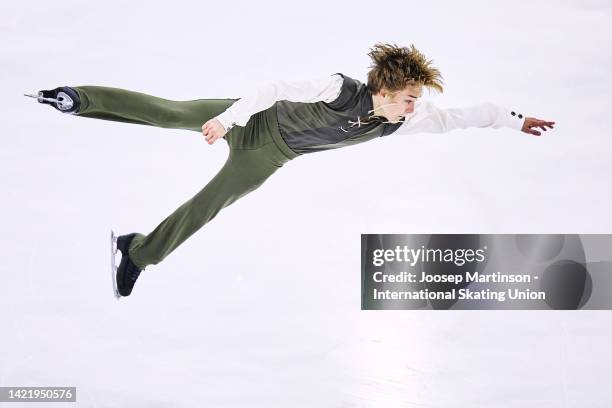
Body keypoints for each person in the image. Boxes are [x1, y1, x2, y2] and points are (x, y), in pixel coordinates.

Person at [27, 42, 555, 298]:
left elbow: (469, 116)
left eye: (416, 101)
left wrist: (516, 120)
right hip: (248, 118)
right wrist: (224, 119)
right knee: (168, 112)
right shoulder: (339, 87)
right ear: (386, 90)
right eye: (410, 98)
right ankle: (77, 99)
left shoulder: (402, 124)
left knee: (205, 208)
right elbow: (271, 91)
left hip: (270, 157)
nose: (415, 107)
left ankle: (136, 249)